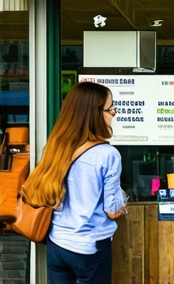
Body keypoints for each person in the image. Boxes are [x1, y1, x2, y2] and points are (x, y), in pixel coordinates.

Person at [21, 81, 128, 284]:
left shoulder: (57, 147)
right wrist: (124, 201)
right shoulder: (107, 154)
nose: (113, 112)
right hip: (89, 248)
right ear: (94, 114)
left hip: (57, 245)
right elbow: (112, 210)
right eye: (110, 108)